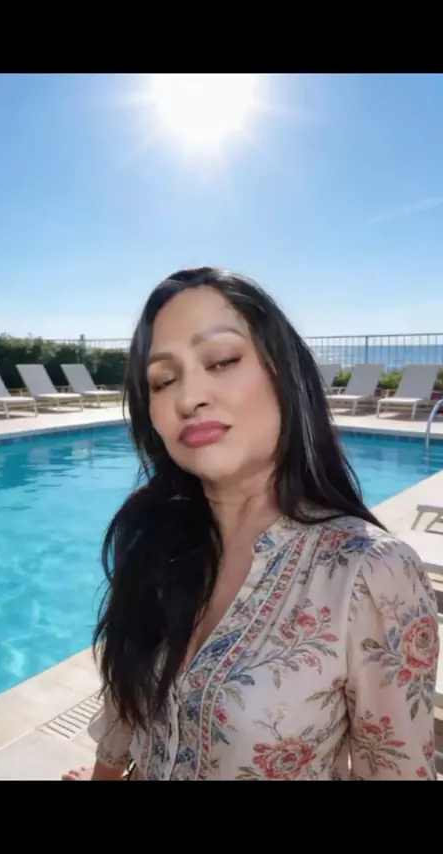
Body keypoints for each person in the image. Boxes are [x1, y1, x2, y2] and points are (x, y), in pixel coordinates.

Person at [63, 266, 439, 781]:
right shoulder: (153, 533)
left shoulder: (370, 576)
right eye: (163, 380)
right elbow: (124, 706)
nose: (188, 398)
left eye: (221, 361)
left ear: (285, 374)